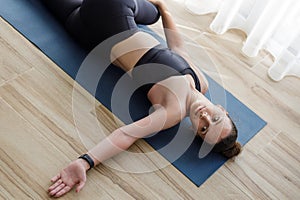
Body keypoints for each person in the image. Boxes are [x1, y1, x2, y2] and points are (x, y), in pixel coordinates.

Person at [43, 0, 242, 197]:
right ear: (222, 109)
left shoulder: (173, 112)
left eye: (204, 128)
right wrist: (165, 10)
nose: (204, 117)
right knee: (154, 12)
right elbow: (179, 50)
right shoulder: (202, 82)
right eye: (215, 118)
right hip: (106, 21)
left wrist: (85, 161)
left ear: (194, 130)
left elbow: (127, 135)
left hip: (104, 19)